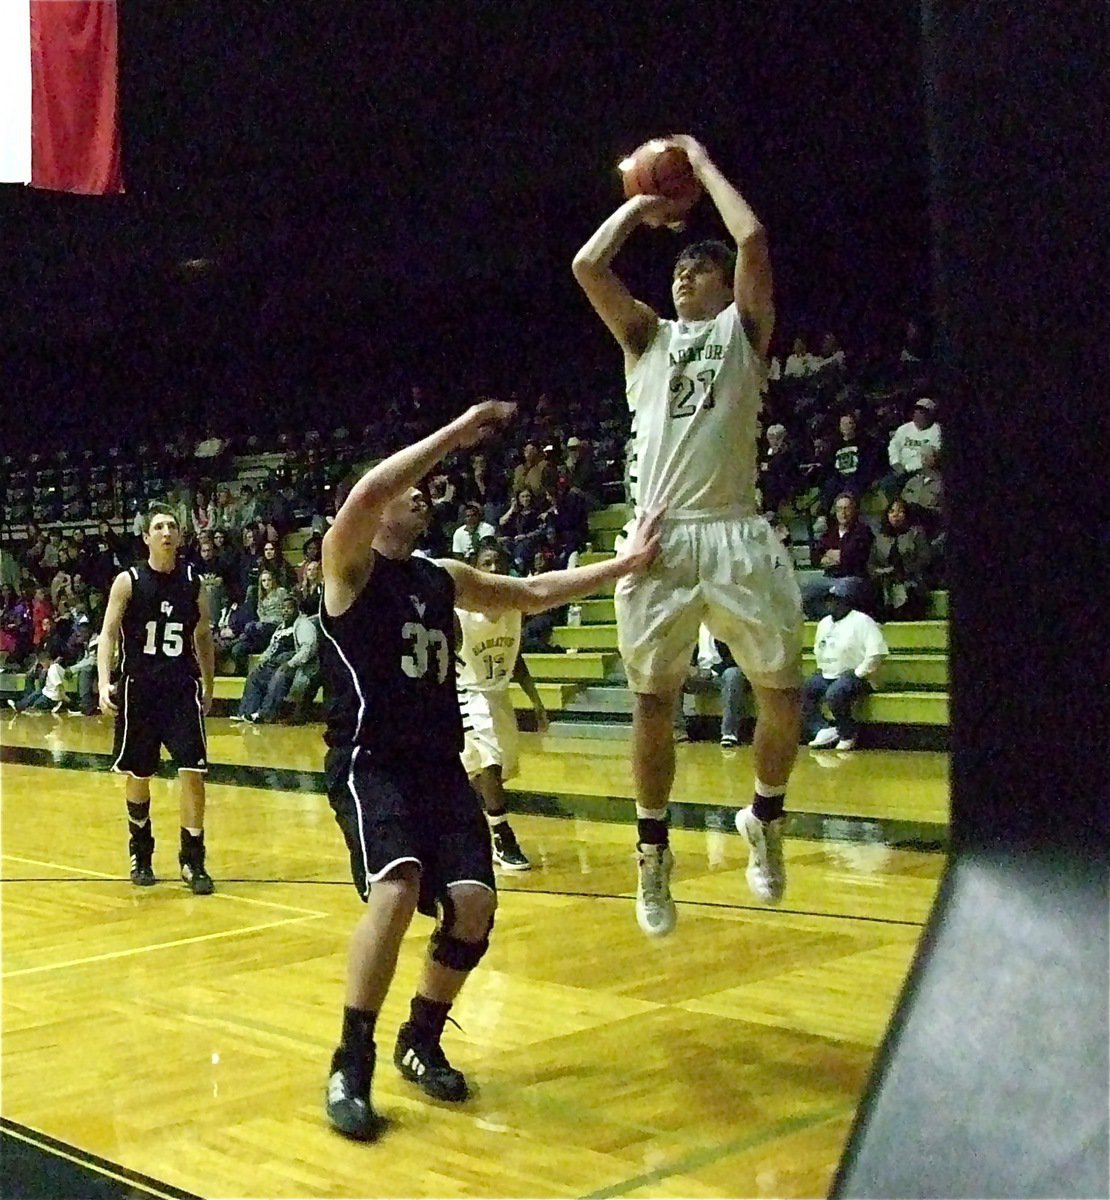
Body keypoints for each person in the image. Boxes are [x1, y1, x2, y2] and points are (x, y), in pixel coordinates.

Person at [317, 399, 661, 1141]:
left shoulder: (441, 577)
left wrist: (625, 565)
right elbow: (367, 492)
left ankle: (421, 1036)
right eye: (407, 492)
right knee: (398, 886)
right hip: (371, 763)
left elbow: (532, 594)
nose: (420, 494)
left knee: (473, 906)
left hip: (441, 766)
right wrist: (451, 435)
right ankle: (351, 1060)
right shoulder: (347, 567)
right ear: (378, 514)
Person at [572, 134, 804, 929]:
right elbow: (587, 267)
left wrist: (701, 168)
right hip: (660, 541)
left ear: (717, 286)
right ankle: (653, 854)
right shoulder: (646, 338)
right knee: (652, 704)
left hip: (735, 530)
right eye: (677, 269)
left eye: (694, 270)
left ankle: (765, 817)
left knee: (782, 691)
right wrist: (641, 203)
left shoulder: (743, 330)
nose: (682, 276)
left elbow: (751, 238)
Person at [97, 505, 216, 894]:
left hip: (182, 689)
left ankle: (192, 859)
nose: (166, 532)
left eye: (172, 527)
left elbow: (203, 637)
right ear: (146, 537)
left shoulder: (194, 583)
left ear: (179, 537)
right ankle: (141, 851)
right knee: (139, 774)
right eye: (159, 527)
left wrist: (209, 686)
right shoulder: (128, 581)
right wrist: (103, 683)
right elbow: (109, 635)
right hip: (140, 690)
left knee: (193, 771)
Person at [456, 539, 547, 872]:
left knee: (484, 771)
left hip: (498, 695)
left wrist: (535, 701)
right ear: (475, 570)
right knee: (490, 762)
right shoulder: (459, 613)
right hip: (466, 693)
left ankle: (454, 826)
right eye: (487, 564)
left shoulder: (513, 607)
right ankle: (503, 837)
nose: (494, 570)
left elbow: (515, 658)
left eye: (499, 564)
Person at [803, 576, 888, 751]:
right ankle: (823, 729)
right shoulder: (824, 623)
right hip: (828, 672)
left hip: (858, 674)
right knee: (802, 692)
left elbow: (876, 653)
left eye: (836, 601)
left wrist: (858, 673)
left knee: (836, 693)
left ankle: (847, 733)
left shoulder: (863, 621)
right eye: (829, 600)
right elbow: (819, 648)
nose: (831, 604)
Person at [233, 594, 318, 723]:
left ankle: (264, 715)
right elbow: (271, 648)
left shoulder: (304, 625)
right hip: (275, 662)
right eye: (283, 608)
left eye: (289, 608)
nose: (285, 611)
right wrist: (263, 660)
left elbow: (307, 649)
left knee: (278, 676)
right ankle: (246, 712)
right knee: (254, 675)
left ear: (297, 610)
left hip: (295, 665)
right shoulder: (281, 627)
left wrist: (290, 663)